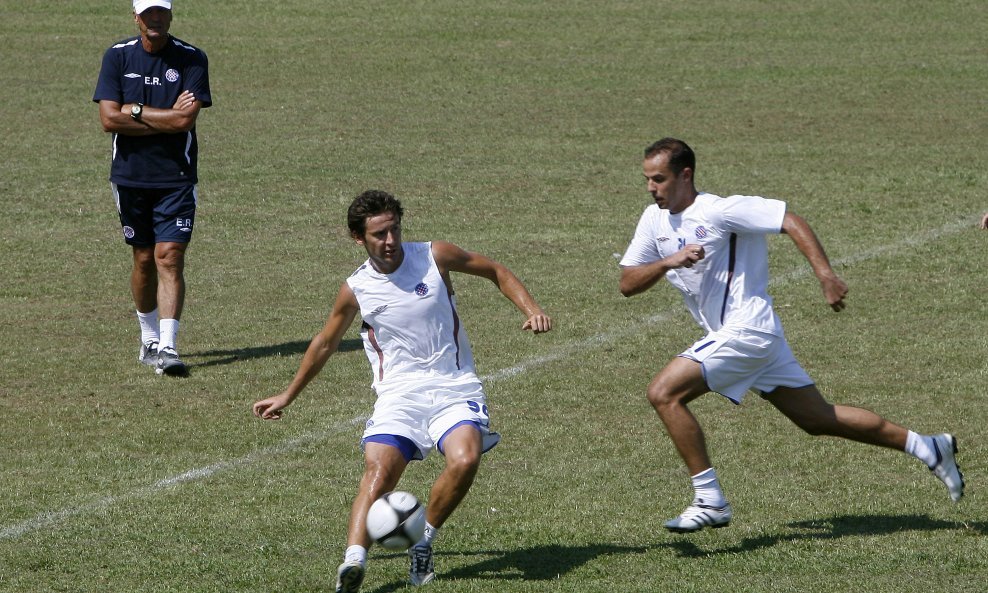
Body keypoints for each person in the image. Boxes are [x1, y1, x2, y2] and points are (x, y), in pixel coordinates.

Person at [618, 138, 964, 533]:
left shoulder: (720, 210)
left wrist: (825, 275)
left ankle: (709, 499)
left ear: (685, 174)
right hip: (747, 337)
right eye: (647, 179)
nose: (651, 188)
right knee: (817, 418)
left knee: (664, 393)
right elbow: (627, 283)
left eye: (658, 179)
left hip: (748, 329)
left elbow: (790, 221)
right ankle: (926, 445)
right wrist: (668, 261)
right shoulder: (653, 220)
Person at [253, 190, 552, 592]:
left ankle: (423, 539)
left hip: (453, 384)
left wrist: (531, 309)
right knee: (379, 474)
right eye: (379, 234)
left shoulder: (434, 255)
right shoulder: (356, 288)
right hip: (398, 395)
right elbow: (325, 342)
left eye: (394, 229)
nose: (390, 240)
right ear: (358, 238)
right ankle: (353, 564)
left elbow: (495, 270)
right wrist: (288, 394)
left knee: (465, 459)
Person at [93, 0, 212, 376]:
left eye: (161, 12)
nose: (155, 19)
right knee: (144, 259)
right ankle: (148, 340)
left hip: (175, 177)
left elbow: (183, 121)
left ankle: (169, 347)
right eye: (147, 14)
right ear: (136, 17)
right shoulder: (117, 56)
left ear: (171, 15)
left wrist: (136, 110)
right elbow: (109, 119)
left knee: (169, 256)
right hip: (129, 177)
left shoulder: (192, 59)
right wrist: (159, 115)